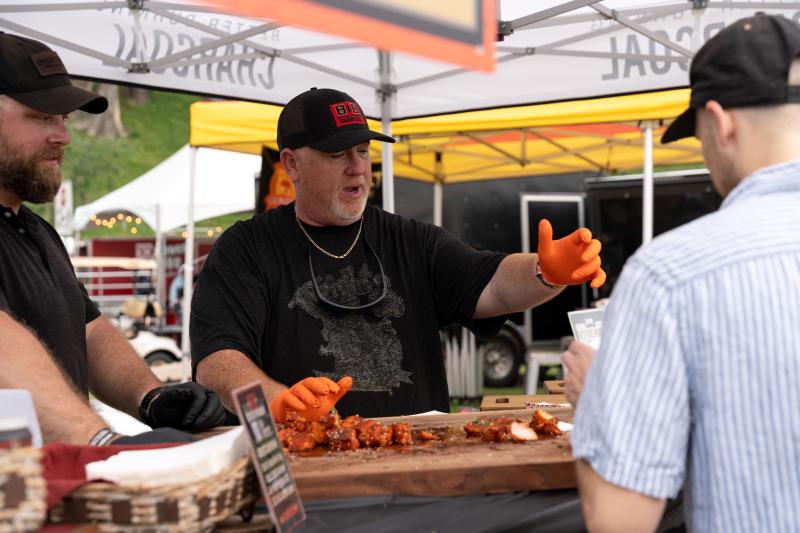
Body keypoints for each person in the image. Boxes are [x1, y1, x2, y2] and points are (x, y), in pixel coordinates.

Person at [191, 87, 606, 421]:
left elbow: (494, 284)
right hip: (302, 468)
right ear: (291, 164)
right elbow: (217, 361)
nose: (357, 167)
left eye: (363, 150)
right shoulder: (245, 248)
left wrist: (545, 271)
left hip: (418, 469)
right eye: (337, 154)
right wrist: (278, 404)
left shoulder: (411, 240)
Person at [569, 14, 800, 532]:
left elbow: (617, 520)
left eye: (697, 136)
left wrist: (599, 401)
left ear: (720, 122)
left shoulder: (670, 274)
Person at [0, 32, 226, 445]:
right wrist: (100, 441)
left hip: (55, 492)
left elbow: (88, 331)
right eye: (41, 117)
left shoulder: (36, 229)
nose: (63, 136)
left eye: (63, 119)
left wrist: (152, 397)